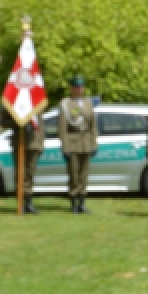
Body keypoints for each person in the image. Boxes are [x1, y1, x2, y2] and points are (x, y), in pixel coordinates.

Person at [57, 76, 96, 214]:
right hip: (72, 142)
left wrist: (94, 144)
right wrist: (65, 146)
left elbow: (93, 126)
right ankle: (74, 202)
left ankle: (82, 203)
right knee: (73, 174)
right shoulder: (66, 104)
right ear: (72, 88)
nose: (79, 90)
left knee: (84, 174)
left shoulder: (88, 103)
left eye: (81, 87)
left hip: (86, 142)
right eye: (76, 87)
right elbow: (62, 127)